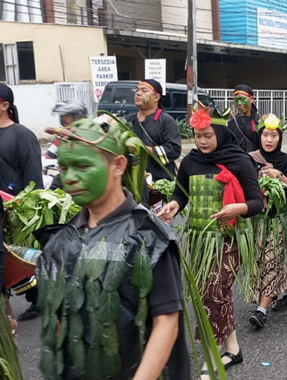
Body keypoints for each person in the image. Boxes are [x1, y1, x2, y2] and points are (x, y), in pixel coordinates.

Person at [39, 119, 190, 379]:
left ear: (118, 166)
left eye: (83, 166)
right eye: (63, 168)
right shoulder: (62, 240)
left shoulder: (148, 236)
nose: (70, 178)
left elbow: (166, 322)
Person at [157, 103, 263, 374]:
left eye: (208, 135)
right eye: (197, 135)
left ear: (219, 132)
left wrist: (236, 209)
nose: (202, 141)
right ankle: (233, 350)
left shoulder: (239, 160)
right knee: (216, 294)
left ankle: (214, 353)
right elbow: (182, 194)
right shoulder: (190, 161)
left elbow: (257, 202)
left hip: (229, 239)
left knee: (214, 292)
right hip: (200, 241)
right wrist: (174, 206)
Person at [247, 114, 287, 328]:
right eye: (265, 135)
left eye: (274, 135)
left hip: (279, 219)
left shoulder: (286, 160)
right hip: (257, 220)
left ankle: (262, 310)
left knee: (272, 260)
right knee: (260, 262)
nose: (269, 140)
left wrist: (280, 176)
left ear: (280, 138)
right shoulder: (249, 159)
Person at [0, 84, 44, 322]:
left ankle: (39, 299)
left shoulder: (22, 134)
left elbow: (33, 175)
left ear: (5, 105)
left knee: (22, 257)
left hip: (17, 207)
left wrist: (29, 204)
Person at [125, 79, 182, 183]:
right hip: (133, 182)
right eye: (137, 90)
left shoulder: (166, 121)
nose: (138, 93)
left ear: (156, 97)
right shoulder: (128, 120)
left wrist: (144, 150)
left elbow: (174, 150)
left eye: (144, 90)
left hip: (159, 182)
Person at [227, 84, 261, 152]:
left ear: (251, 99)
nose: (239, 103)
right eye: (236, 100)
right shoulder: (232, 123)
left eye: (242, 99)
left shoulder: (259, 122)